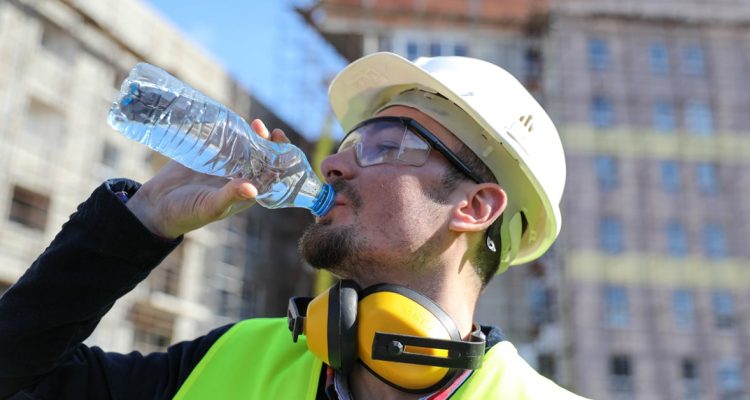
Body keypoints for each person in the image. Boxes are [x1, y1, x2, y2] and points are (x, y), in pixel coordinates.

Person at [0, 52, 587, 399]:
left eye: (384, 145)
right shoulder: (233, 359)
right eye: (350, 141)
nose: (334, 161)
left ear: (475, 206)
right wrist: (140, 221)